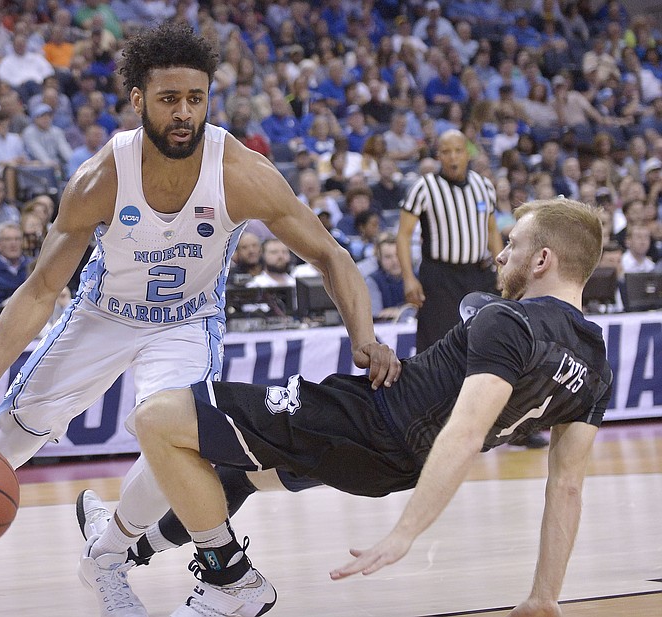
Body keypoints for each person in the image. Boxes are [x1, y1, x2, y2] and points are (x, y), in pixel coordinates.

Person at [0, 23, 397, 617]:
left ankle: (107, 556)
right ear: (139, 100)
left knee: (170, 439)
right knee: (9, 437)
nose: (184, 113)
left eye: (195, 99)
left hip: (186, 322)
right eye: (169, 99)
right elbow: (41, 289)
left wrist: (365, 337)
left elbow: (330, 253)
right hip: (103, 314)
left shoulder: (240, 172)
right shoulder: (100, 178)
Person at [123, 197, 613, 617]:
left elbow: (464, 433)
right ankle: (128, 549)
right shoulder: (596, 364)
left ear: (543, 258)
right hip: (392, 469)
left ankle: (231, 583)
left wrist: (404, 535)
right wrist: (545, 596)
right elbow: (567, 487)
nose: (501, 256)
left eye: (513, 246)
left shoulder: (507, 319)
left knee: (158, 417)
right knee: (242, 476)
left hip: (362, 421)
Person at [396, 129, 502, 353]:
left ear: (467, 154)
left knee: (485, 340)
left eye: (458, 151)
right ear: (438, 156)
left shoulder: (484, 186)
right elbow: (404, 235)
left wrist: (502, 270)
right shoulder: (424, 188)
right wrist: (408, 278)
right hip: (439, 276)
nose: (453, 157)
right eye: (446, 152)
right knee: (437, 345)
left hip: (478, 274)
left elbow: (492, 231)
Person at [364, 232, 408, 320]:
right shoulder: (373, 281)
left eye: (398, 255)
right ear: (379, 259)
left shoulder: (416, 277)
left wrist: (397, 312)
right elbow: (375, 314)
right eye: (388, 257)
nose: (395, 261)